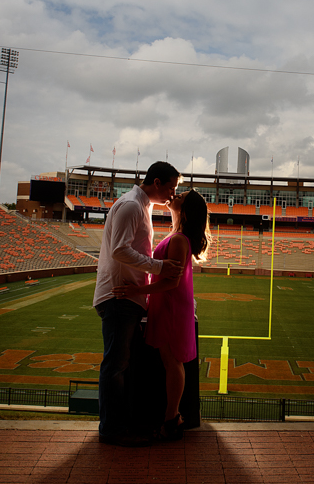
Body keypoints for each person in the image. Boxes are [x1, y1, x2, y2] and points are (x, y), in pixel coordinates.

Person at [93, 161, 182, 446]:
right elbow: (120, 249)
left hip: (128, 295)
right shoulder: (132, 205)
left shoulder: (142, 206)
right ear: (156, 182)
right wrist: (158, 267)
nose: (172, 193)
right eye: (171, 187)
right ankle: (112, 430)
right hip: (119, 297)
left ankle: (120, 425)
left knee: (122, 365)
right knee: (116, 366)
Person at [115, 189, 210, 441]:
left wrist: (136, 290)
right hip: (166, 305)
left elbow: (170, 282)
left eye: (181, 195)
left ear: (186, 208)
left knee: (172, 362)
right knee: (171, 362)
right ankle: (172, 416)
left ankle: (172, 417)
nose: (174, 196)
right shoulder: (177, 236)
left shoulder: (179, 240)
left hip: (170, 306)